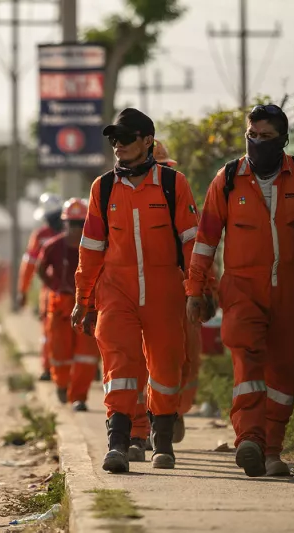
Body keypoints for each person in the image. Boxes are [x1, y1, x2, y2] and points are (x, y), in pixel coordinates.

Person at [186, 104, 294, 477]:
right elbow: (206, 239)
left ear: (282, 140)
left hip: (293, 293)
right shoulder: (227, 179)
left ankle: (273, 449)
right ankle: (250, 439)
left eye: (266, 137)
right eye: (252, 135)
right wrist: (196, 288)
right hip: (242, 289)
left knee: (284, 372)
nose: (257, 143)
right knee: (247, 359)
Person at [72, 108, 201, 473]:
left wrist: (196, 289)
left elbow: (192, 241)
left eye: (126, 138)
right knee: (118, 365)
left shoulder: (174, 184)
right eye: (114, 139)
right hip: (116, 291)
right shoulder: (104, 187)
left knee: (164, 367)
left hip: (165, 291)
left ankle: (162, 442)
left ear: (147, 141)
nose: (118, 145)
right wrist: (83, 299)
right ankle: (118, 443)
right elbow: (91, 247)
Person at [37, 198, 100, 411]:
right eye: (72, 224)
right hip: (61, 306)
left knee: (86, 356)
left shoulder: (95, 247)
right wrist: (54, 287)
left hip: (87, 306)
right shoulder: (53, 246)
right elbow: (40, 269)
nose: (76, 229)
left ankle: (79, 397)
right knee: (60, 353)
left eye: (80, 224)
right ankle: (62, 385)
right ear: (64, 224)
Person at [18, 193, 64, 381]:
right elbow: (29, 266)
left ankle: (48, 368)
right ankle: (49, 367)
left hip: (53, 290)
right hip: (61, 289)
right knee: (51, 330)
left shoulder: (41, 236)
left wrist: (23, 291)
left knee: (49, 329)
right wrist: (23, 291)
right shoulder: (73, 230)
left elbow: (29, 267)